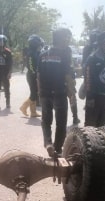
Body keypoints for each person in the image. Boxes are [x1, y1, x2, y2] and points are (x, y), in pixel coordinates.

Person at [37, 28, 75, 157]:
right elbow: (68, 77)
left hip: (45, 93)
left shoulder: (42, 55)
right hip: (59, 93)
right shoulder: (64, 54)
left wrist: (40, 92)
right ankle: (58, 148)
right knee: (61, 122)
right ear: (61, 39)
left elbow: (38, 75)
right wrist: (72, 94)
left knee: (46, 120)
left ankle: (48, 143)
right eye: (66, 38)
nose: (68, 41)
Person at [83, 31, 105, 127]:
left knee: (103, 124)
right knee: (90, 126)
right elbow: (88, 79)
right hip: (95, 97)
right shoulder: (91, 59)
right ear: (100, 43)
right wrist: (90, 97)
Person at [20, 34, 43, 117]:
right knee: (34, 93)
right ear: (34, 43)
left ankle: (33, 112)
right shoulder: (30, 53)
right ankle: (24, 107)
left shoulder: (36, 52)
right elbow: (30, 65)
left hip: (34, 75)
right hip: (32, 75)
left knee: (34, 93)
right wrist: (35, 74)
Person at [0, 35, 13, 110]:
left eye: (2, 41)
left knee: (6, 87)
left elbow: (11, 63)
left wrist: (10, 72)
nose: (1, 43)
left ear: (5, 42)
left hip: (5, 72)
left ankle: (8, 102)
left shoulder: (8, 52)